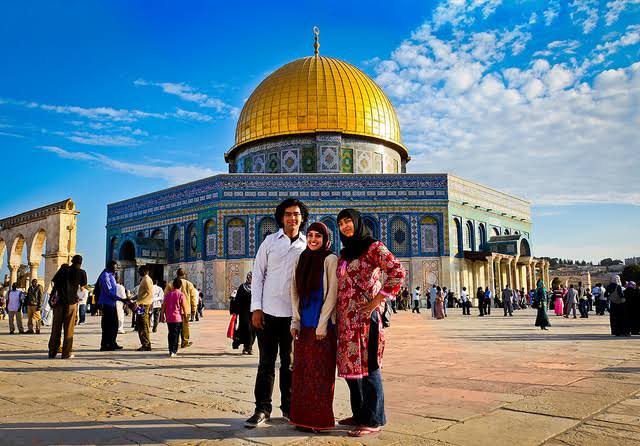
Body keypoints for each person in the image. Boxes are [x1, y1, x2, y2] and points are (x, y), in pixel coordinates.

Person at [335, 208, 405, 437]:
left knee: (370, 368)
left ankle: (374, 419)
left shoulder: (373, 247)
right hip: (346, 322)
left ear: (357, 223)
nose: (345, 226)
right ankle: (360, 414)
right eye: (341, 223)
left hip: (366, 320)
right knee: (353, 371)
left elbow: (397, 271)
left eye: (348, 221)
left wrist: (378, 299)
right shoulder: (345, 254)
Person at [245, 198, 308, 428]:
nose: (292, 218)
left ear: (302, 218)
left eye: (296, 214)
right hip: (268, 313)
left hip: (293, 316)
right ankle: (262, 408)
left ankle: (289, 408)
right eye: (288, 214)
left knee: (289, 364)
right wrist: (256, 308)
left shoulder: (306, 245)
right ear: (281, 217)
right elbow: (258, 275)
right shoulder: (270, 242)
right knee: (266, 363)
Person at [289, 222, 338, 431]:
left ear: (325, 239)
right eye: (310, 235)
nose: (313, 240)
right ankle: (302, 420)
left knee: (321, 376)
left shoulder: (330, 259)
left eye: (318, 236)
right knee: (302, 375)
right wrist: (295, 321)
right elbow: (294, 291)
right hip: (304, 326)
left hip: (322, 328)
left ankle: (320, 421)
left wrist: (322, 325)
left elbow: (332, 294)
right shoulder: (302, 258)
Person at [48, 255, 87, 359]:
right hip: (71, 303)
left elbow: (54, 284)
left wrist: (52, 298)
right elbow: (83, 286)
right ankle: (66, 353)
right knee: (69, 329)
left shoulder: (63, 270)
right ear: (81, 263)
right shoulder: (81, 272)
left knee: (56, 328)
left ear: (72, 261)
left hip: (59, 303)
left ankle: (52, 351)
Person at [165, 268, 197, 348]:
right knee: (185, 327)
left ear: (177, 274)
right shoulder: (189, 284)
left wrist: (165, 310)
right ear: (184, 275)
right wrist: (194, 309)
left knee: (175, 328)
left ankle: (176, 342)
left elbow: (165, 297)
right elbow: (193, 298)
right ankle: (185, 342)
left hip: (174, 310)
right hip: (186, 310)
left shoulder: (171, 284)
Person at [97, 261, 124, 351]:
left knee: (114, 324)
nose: (116, 269)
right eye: (114, 268)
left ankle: (112, 342)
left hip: (112, 303)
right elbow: (109, 292)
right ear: (109, 267)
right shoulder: (105, 276)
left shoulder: (112, 276)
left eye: (116, 268)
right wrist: (121, 299)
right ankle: (105, 345)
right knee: (107, 325)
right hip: (107, 303)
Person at [161, 277, 188, 357]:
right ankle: (174, 351)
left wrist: (162, 316)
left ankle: (170, 349)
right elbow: (184, 307)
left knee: (170, 333)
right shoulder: (181, 294)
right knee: (176, 334)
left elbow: (164, 306)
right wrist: (186, 317)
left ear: (173, 285)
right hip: (177, 318)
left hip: (169, 318)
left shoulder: (168, 294)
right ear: (180, 286)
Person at [234, 272, 256, 355]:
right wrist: (236, 310)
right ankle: (246, 347)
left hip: (254, 311)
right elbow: (237, 299)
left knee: (253, 329)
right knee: (246, 328)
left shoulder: (256, 287)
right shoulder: (242, 287)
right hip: (244, 312)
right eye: (250, 277)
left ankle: (249, 347)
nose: (251, 279)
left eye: (252, 277)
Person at [135, 265, 153, 351]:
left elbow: (150, 293)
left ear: (144, 271)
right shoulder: (144, 279)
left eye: (140, 271)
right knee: (140, 324)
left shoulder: (146, 279)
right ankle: (144, 343)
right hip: (141, 305)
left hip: (143, 305)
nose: (139, 272)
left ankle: (146, 344)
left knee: (143, 324)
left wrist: (140, 301)